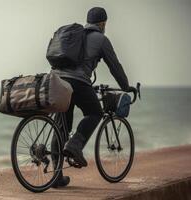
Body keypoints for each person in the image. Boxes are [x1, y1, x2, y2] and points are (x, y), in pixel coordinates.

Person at [50, 7, 131, 188]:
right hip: (77, 82)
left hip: (55, 81)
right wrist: (126, 86)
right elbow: (115, 66)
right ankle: (75, 145)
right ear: (103, 23)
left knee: (62, 125)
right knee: (95, 113)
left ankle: (56, 177)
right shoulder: (101, 39)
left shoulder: (74, 36)